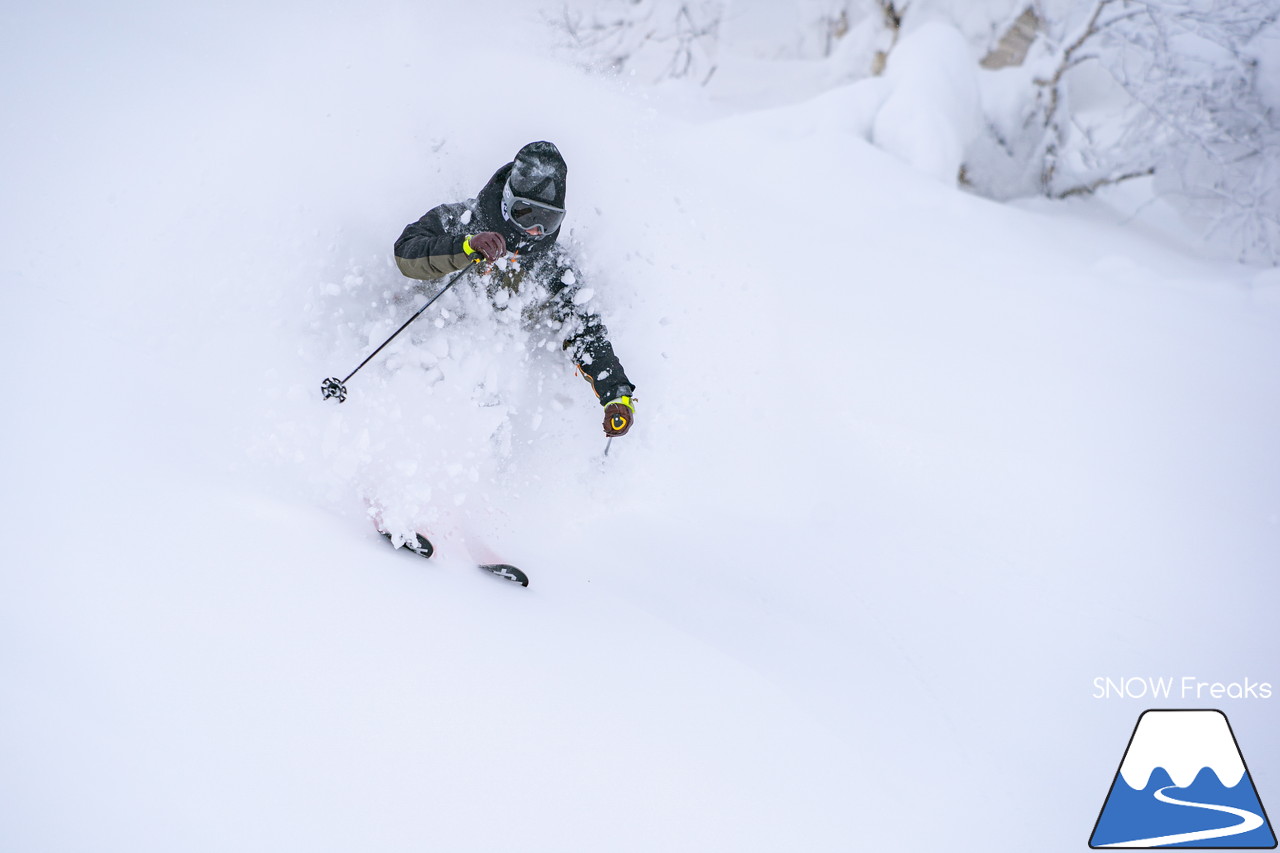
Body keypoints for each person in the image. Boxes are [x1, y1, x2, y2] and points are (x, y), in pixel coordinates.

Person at [393, 141, 635, 438]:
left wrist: (615, 393)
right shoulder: (461, 221)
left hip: (488, 397)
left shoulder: (553, 265)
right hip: (425, 363)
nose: (535, 230)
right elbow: (406, 255)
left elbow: (583, 328)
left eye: (547, 220)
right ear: (508, 201)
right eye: (526, 214)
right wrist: (465, 246)